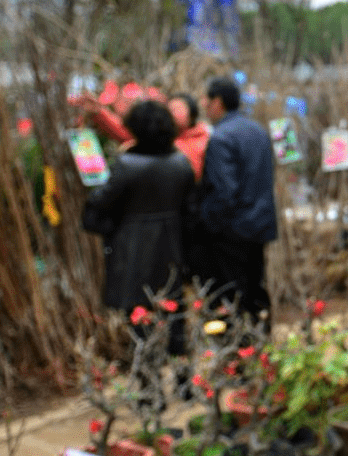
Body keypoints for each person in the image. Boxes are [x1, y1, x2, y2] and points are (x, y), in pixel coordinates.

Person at [82, 100, 197, 320]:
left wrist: (112, 228)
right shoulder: (181, 163)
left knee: (137, 314)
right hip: (172, 250)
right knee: (170, 309)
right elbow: (191, 213)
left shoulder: (126, 165)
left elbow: (97, 207)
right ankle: (176, 351)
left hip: (131, 252)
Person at [196, 76, 278, 327]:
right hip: (259, 225)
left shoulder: (221, 138)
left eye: (207, 102)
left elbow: (224, 191)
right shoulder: (258, 131)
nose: (205, 107)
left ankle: (236, 354)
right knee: (254, 288)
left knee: (230, 295)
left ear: (217, 103)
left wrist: (207, 221)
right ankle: (259, 346)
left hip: (232, 230)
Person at [77, 90, 210, 180]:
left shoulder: (201, 139)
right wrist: (100, 112)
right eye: (169, 109)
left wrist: (137, 147)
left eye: (177, 109)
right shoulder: (162, 135)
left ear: (192, 115)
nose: (171, 113)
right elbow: (128, 134)